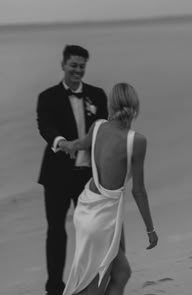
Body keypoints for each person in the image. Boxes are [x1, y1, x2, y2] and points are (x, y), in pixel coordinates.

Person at [61, 82, 158, 295]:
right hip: (102, 220)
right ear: (136, 105)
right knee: (95, 286)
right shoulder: (136, 140)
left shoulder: (97, 127)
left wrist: (61, 143)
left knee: (120, 273)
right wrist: (150, 229)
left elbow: (77, 145)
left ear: (110, 104)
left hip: (86, 209)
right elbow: (138, 190)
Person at [36, 45, 108, 295]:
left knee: (89, 230)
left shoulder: (97, 95)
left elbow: (104, 129)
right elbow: (44, 126)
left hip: (87, 176)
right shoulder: (47, 97)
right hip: (56, 175)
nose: (77, 70)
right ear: (63, 65)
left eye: (81, 66)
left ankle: (88, 281)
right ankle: (54, 286)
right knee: (55, 230)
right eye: (73, 65)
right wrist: (60, 142)